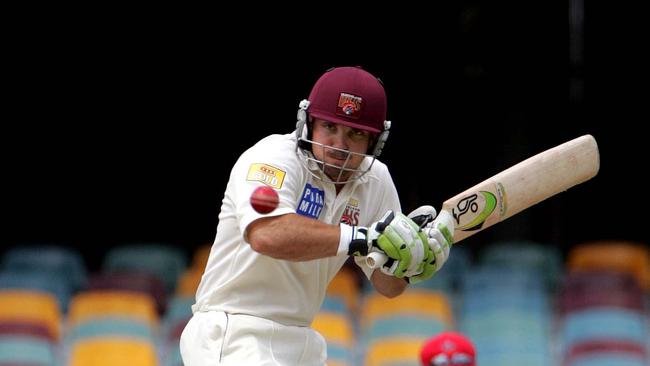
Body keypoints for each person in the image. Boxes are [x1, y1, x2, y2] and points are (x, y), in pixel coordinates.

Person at [180, 66, 455, 365]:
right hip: (233, 329)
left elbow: (387, 285)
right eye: (329, 127)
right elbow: (266, 235)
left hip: (303, 337)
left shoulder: (376, 181)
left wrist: (411, 261)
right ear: (308, 122)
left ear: (375, 141)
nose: (339, 144)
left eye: (356, 133)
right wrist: (362, 237)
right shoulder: (273, 158)